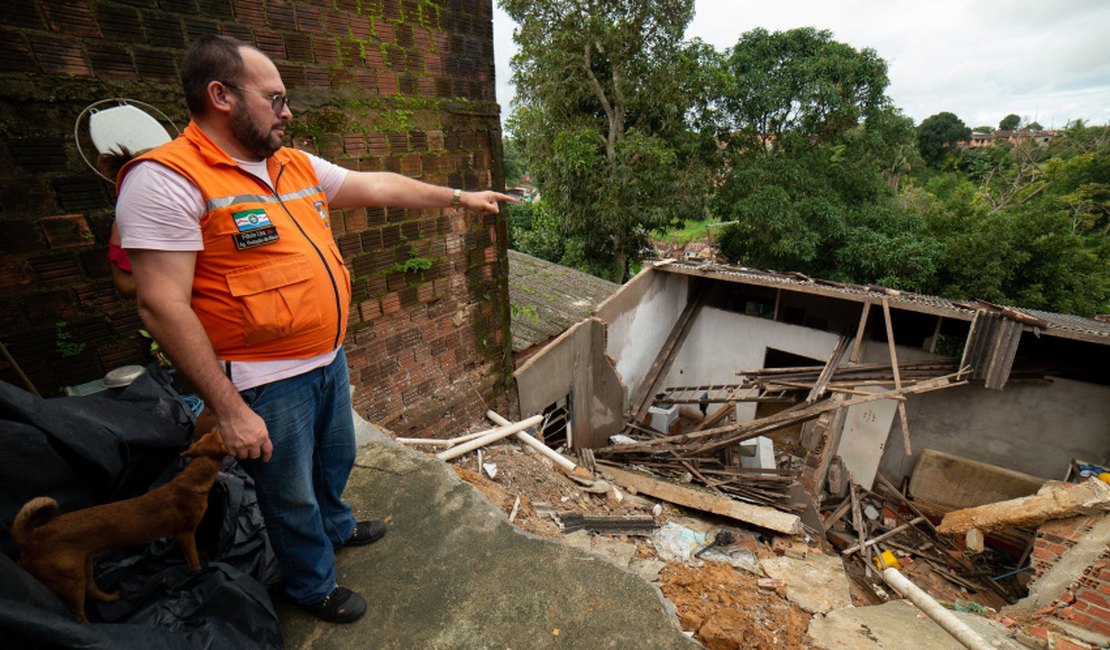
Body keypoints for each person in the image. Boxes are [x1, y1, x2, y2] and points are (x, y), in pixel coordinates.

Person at [115, 34, 514, 624]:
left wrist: (459, 196)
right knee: (287, 492)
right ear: (220, 95)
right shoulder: (167, 179)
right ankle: (310, 584)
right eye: (274, 98)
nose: (288, 111)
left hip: (326, 359)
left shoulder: (290, 164)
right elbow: (159, 305)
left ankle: (336, 527)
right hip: (261, 379)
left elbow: (376, 184)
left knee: (336, 460)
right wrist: (228, 409)